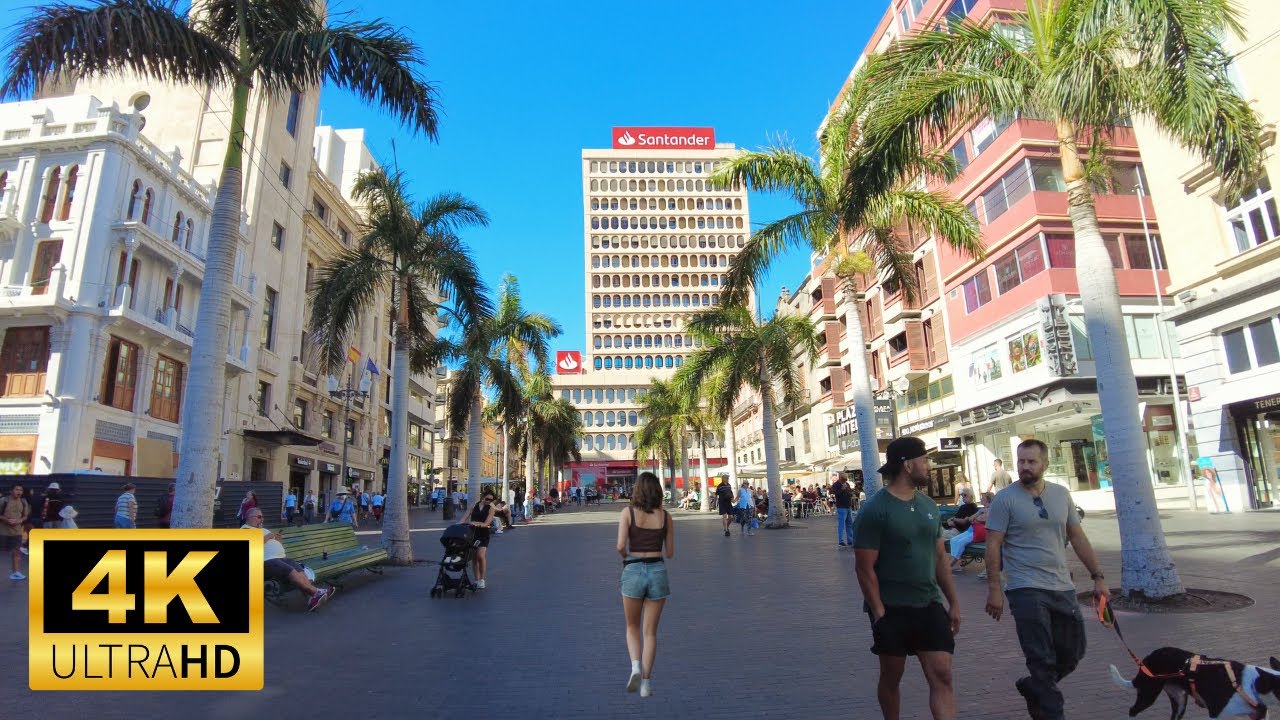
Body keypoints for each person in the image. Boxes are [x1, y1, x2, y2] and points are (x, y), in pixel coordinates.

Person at [984, 439, 1109, 720]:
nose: (1025, 467)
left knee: (1073, 652)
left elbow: (1077, 537)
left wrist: (1098, 577)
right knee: (1040, 658)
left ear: (1045, 464)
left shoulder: (1061, 494)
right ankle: (1052, 712)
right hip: (1024, 587)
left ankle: (1034, 687)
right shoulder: (1005, 499)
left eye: (1031, 461)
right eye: (1021, 461)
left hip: (1062, 585)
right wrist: (995, 589)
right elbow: (993, 545)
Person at [853, 436, 960, 720]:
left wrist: (953, 602)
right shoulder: (875, 510)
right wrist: (879, 613)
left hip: (928, 604)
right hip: (892, 608)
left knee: (942, 675)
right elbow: (864, 568)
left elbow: (939, 557)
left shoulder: (928, 506)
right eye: (924, 460)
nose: (928, 465)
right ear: (908, 465)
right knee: (892, 677)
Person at [616, 471, 674, 699]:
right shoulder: (666, 516)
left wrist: (628, 555)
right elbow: (670, 553)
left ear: (637, 490)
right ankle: (646, 684)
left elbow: (620, 545)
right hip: (657, 569)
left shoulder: (627, 513)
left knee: (632, 627)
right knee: (650, 632)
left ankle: (635, 668)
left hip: (633, 569)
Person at [241, 508, 334, 611]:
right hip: (265, 562)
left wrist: (278, 541)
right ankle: (317, 592)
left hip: (280, 558)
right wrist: (267, 537)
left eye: (262, 517)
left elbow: (273, 546)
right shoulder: (245, 530)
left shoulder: (263, 530)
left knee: (299, 570)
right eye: (259, 517)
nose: (262, 519)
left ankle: (311, 599)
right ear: (249, 517)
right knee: (289, 570)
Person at [467, 494, 497, 589]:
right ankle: (477, 579)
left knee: (481, 556)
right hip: (472, 534)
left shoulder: (491, 508)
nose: (488, 501)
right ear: (482, 497)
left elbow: (487, 523)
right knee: (474, 558)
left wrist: (476, 524)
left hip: (483, 534)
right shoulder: (474, 505)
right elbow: (465, 516)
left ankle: (482, 579)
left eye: (491, 500)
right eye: (487, 498)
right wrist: (458, 524)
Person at [2, 484, 30, 580]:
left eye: (20, 490)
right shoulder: (3, 501)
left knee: (17, 551)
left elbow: (25, 516)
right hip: (3, 531)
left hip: (17, 531)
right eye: (16, 489)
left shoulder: (23, 501)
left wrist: (20, 521)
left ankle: (15, 572)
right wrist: (6, 519)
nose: (19, 492)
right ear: (11, 490)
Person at [832, 472, 857, 547]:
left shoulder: (847, 484)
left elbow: (849, 493)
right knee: (841, 524)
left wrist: (851, 492)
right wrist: (842, 489)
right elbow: (836, 494)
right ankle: (841, 541)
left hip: (848, 506)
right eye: (843, 479)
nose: (845, 481)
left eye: (845, 479)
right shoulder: (836, 485)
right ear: (840, 478)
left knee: (849, 524)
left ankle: (850, 540)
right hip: (841, 506)